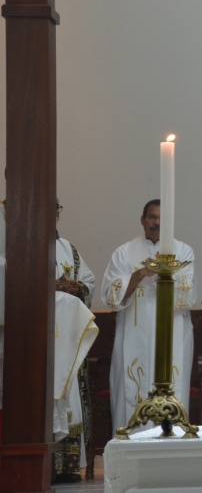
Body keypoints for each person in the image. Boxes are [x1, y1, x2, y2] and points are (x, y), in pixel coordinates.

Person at [102, 199, 196, 432]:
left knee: (173, 385)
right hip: (133, 333)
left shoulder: (183, 251)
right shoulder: (123, 253)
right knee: (132, 388)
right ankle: (131, 451)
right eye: (152, 217)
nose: (157, 223)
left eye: (163, 219)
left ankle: (171, 448)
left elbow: (188, 294)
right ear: (142, 220)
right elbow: (110, 296)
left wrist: (166, 274)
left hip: (172, 328)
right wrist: (140, 274)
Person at [52, 200, 98, 482]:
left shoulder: (68, 248)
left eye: (56, 208)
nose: (53, 213)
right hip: (41, 336)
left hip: (68, 337)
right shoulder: (21, 241)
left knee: (71, 399)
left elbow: (89, 282)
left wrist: (76, 287)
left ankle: (68, 465)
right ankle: (45, 464)